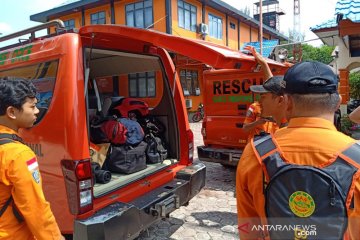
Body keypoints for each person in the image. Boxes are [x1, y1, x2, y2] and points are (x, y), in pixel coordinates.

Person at [236, 61, 360, 239]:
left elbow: (248, 230)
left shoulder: (256, 153)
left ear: (286, 102)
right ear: (337, 102)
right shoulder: (356, 158)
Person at [0, 78, 64, 240]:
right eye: (32, 106)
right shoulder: (18, 154)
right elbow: (35, 207)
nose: (37, 111)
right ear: (12, 112)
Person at [242, 46, 286, 139]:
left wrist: (263, 63)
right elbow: (273, 85)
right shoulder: (254, 107)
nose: (261, 100)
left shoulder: (286, 117)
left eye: (263, 96)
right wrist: (263, 63)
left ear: (279, 100)